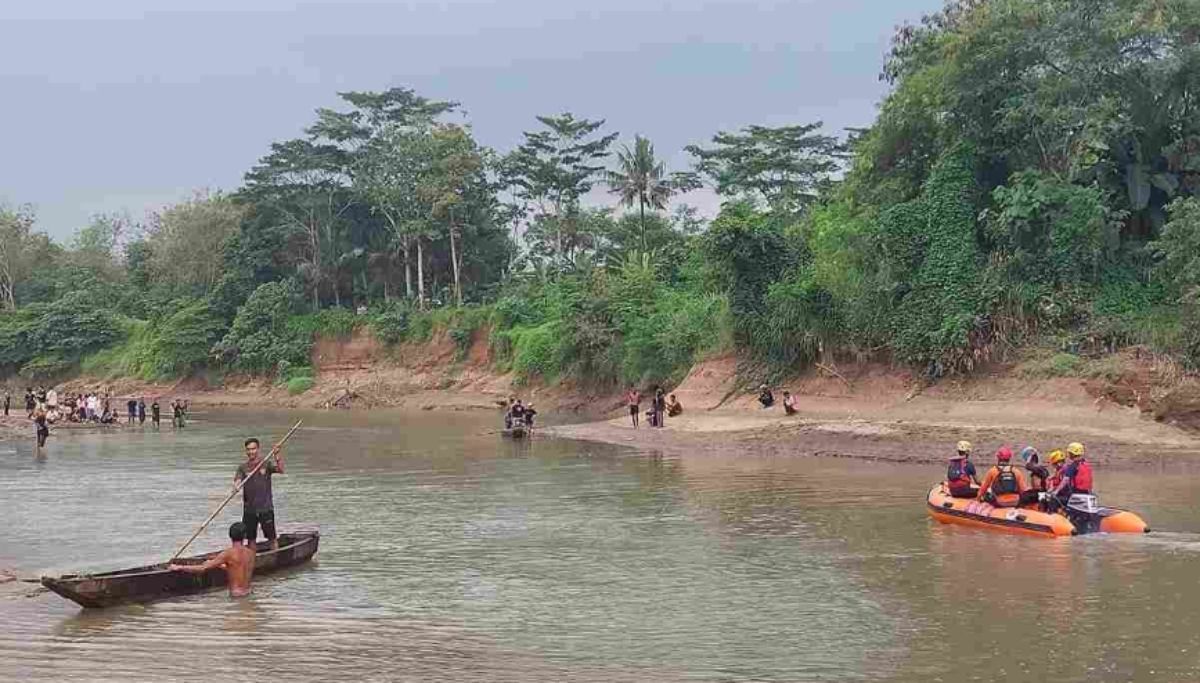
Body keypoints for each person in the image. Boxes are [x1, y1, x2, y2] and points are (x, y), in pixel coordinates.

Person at [168, 522, 257, 598]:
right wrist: (219, 565)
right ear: (244, 536)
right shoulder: (251, 553)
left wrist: (179, 567)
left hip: (236, 595)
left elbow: (202, 568)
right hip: (249, 593)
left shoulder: (228, 553)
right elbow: (238, 568)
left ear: (230, 536)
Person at [235, 437, 285, 552]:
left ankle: (275, 559)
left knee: (272, 538)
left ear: (258, 449)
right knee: (251, 539)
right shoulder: (242, 467)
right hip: (249, 510)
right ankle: (252, 561)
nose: (251, 452)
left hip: (265, 508)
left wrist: (277, 455)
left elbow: (281, 470)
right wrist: (236, 487)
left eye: (253, 449)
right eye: (248, 449)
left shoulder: (266, 464)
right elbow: (237, 481)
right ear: (246, 451)